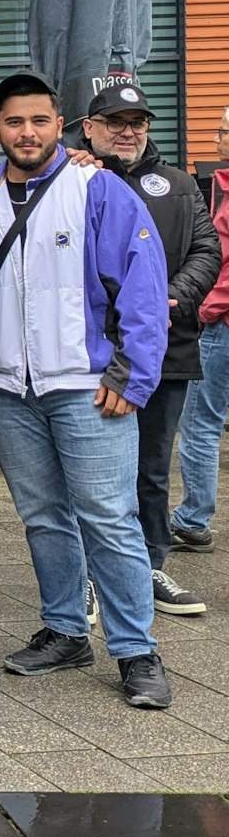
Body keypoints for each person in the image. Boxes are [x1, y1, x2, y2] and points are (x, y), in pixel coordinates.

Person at [0, 70, 173, 709]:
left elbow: (142, 284)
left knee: (110, 518)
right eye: (14, 122)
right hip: (6, 389)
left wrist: (133, 375)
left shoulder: (97, 188)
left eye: (40, 120)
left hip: (86, 385)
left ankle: (137, 650)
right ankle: (65, 630)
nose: (27, 132)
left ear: (61, 125)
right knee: (44, 518)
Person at [78, 83, 219, 617]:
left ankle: (150, 564)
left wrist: (170, 299)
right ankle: (89, 574)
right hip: (96, 354)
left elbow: (208, 249)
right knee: (93, 472)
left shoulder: (180, 185)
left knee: (152, 469)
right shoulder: (73, 180)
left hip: (167, 349)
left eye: (137, 122)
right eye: (115, 121)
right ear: (89, 127)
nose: (128, 131)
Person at [174, 117, 229, 553]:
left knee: (200, 424)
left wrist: (207, 309)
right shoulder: (217, 184)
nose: (217, 139)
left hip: (220, 325)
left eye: (224, 131)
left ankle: (193, 518)